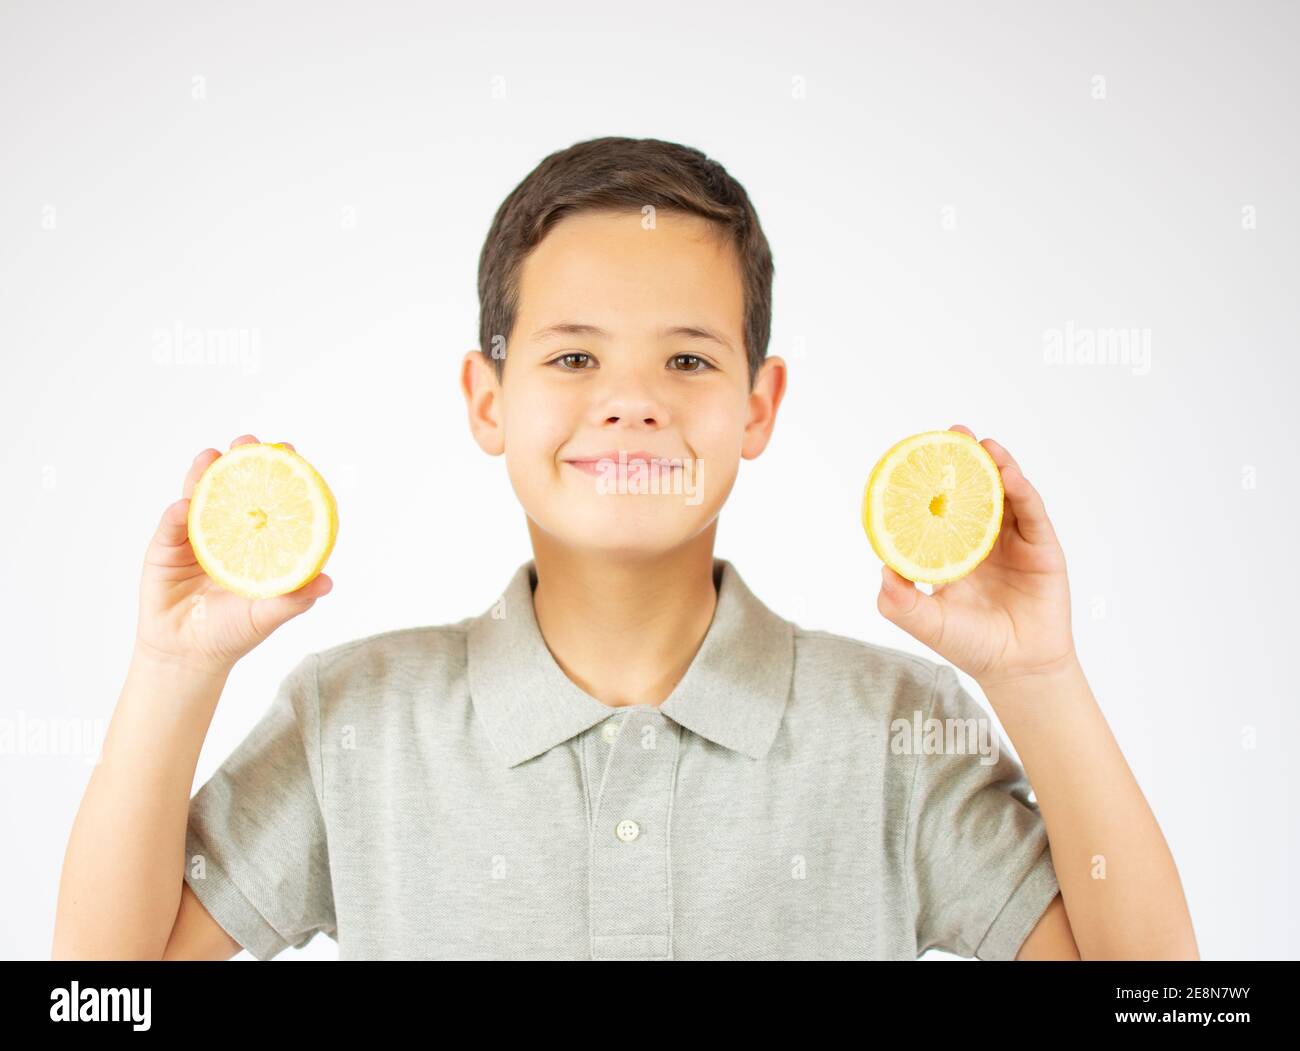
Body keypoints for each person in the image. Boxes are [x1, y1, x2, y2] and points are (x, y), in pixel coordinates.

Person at [52, 136, 1197, 960]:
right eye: (572, 358)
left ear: (758, 404)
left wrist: (1035, 678)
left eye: (688, 361)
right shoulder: (357, 717)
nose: (632, 403)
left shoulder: (892, 726)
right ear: (485, 397)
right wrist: (174, 671)